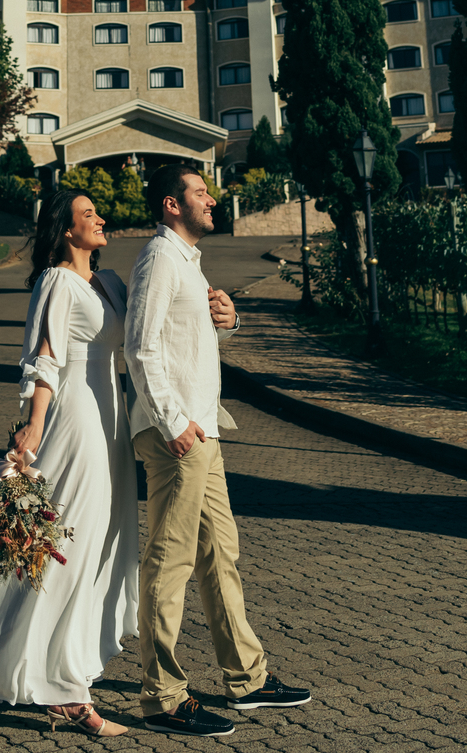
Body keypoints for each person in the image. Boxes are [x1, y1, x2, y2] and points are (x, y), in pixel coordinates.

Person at [125, 162, 312, 738]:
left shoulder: (188, 261)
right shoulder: (159, 258)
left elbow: (185, 342)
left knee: (219, 555)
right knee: (171, 560)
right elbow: (141, 347)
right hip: (178, 434)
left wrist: (228, 324)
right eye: (200, 193)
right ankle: (161, 697)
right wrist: (172, 420)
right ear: (171, 206)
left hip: (203, 429)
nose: (213, 199)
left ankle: (247, 678)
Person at [0, 189, 138, 738]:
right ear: (65, 230)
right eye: (86, 214)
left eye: (98, 211)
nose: (99, 217)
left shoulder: (110, 283)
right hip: (75, 418)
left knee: (90, 553)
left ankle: (65, 687)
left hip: (111, 419)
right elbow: (46, 357)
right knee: (52, 551)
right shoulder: (57, 281)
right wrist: (33, 423)